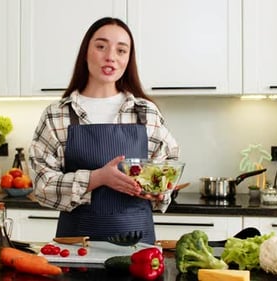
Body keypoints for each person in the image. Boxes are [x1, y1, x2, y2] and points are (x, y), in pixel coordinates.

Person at [28, 17, 179, 244]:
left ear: (128, 59)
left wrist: (158, 192)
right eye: (101, 46)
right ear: (86, 52)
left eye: (121, 50)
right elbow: (42, 186)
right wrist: (97, 178)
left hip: (139, 246)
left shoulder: (146, 113)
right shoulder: (57, 114)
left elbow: (167, 169)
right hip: (76, 245)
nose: (111, 57)